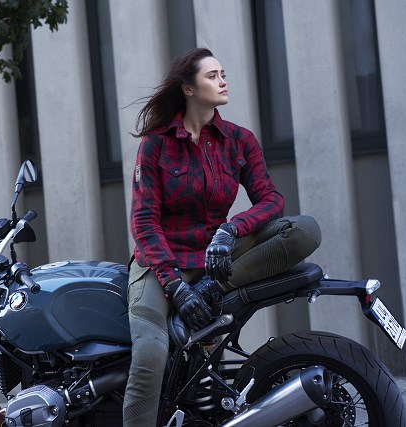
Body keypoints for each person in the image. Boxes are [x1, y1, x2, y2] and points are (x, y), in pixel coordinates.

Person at [123, 47, 322, 427]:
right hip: (161, 264)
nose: (223, 81)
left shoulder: (239, 140)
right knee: (150, 352)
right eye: (212, 76)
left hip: (217, 259)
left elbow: (271, 199)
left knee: (304, 229)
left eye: (223, 74)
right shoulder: (156, 143)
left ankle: (213, 290)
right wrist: (175, 288)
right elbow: (144, 222)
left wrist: (230, 230)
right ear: (188, 88)